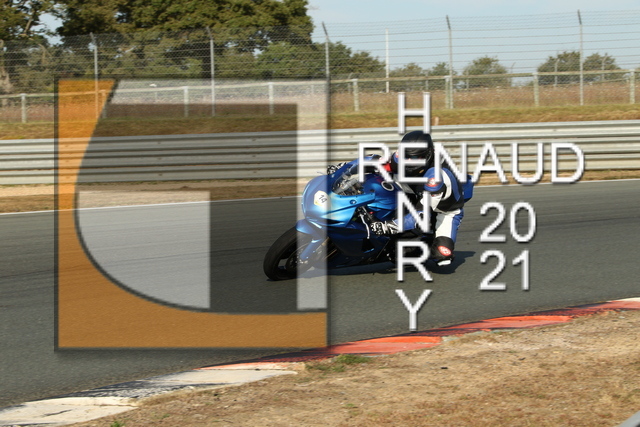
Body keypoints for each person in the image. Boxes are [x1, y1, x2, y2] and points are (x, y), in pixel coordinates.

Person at [367, 130, 471, 266]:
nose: (409, 161)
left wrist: (388, 227)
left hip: (443, 210)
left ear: (427, 155)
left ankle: (424, 242)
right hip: (414, 191)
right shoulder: (400, 156)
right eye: (406, 156)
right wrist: (344, 168)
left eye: (415, 158)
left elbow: (420, 216)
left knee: (442, 257)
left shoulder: (437, 176)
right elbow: (374, 161)